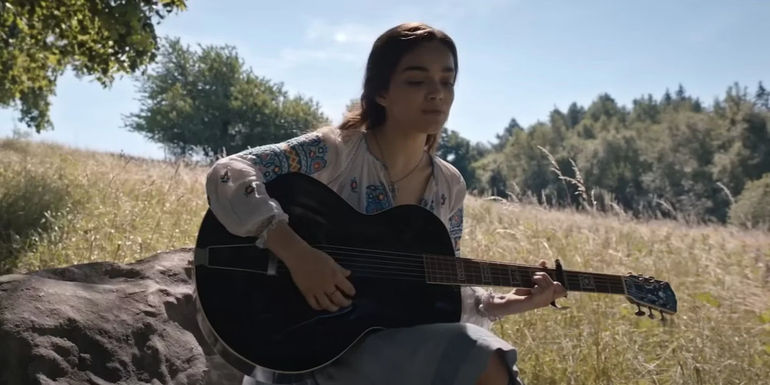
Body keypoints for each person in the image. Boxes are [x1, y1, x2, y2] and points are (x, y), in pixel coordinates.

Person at [205, 22, 566, 385]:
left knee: (474, 353)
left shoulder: (448, 185)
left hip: (386, 349)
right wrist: (297, 255)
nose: (436, 93)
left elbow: (442, 286)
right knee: (479, 354)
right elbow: (230, 171)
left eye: (447, 81)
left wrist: (513, 303)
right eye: (416, 80)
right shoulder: (335, 151)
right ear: (380, 91)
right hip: (301, 350)